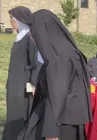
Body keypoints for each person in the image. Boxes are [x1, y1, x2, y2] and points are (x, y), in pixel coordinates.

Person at [20, 9, 92, 140]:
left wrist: (51, 131)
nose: (31, 35)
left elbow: (58, 95)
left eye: (33, 30)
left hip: (62, 122)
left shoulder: (60, 57)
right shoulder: (59, 53)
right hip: (60, 116)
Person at [2, 6, 41, 140]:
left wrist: (33, 84)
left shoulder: (30, 38)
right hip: (14, 83)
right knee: (12, 113)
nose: (11, 22)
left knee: (20, 114)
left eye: (12, 19)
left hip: (23, 85)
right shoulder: (20, 36)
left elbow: (35, 63)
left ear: (19, 20)